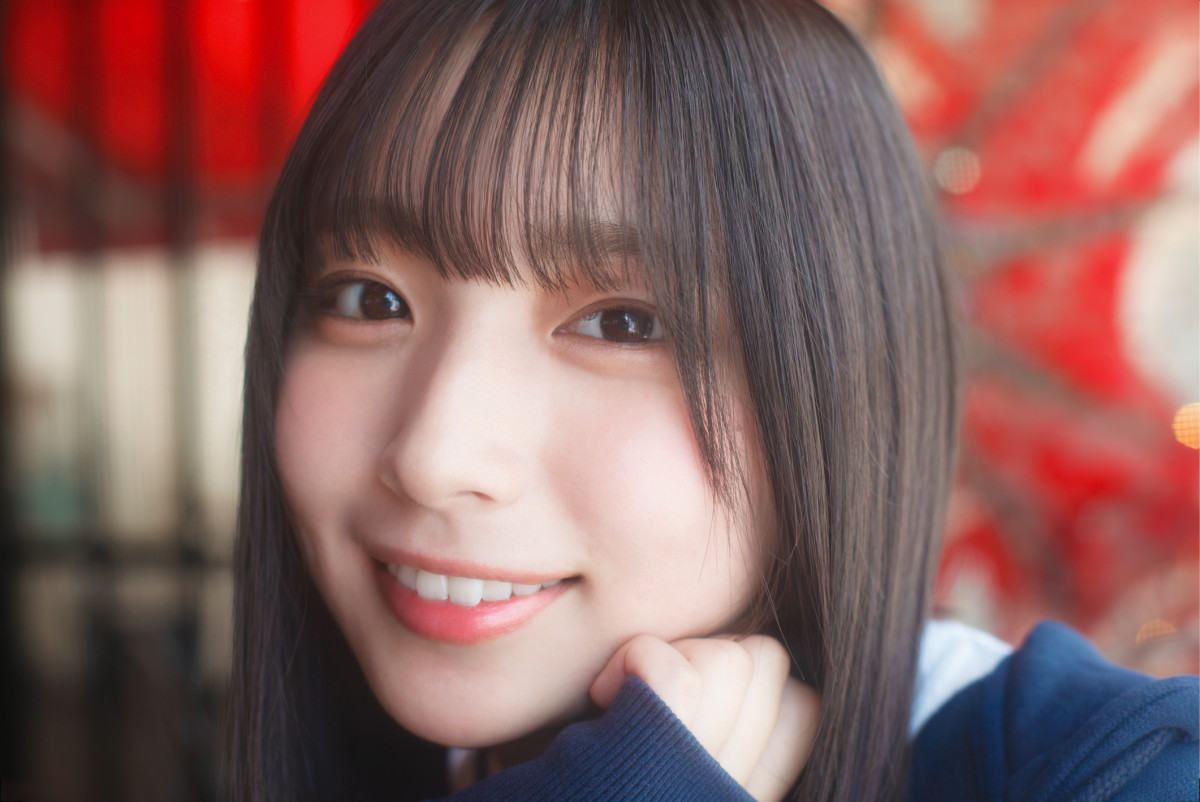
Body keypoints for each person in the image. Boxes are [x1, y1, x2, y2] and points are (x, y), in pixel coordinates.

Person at [225, 1, 1199, 800]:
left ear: (835, 372)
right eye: (369, 300)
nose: (434, 455)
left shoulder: (1109, 769)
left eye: (622, 322)